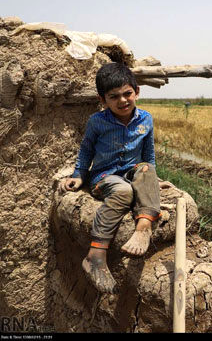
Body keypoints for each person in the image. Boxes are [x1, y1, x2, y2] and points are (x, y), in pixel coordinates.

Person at [60, 62, 162, 293]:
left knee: (146, 170)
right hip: (105, 176)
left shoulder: (146, 119)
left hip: (133, 171)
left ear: (137, 92)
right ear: (103, 100)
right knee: (123, 191)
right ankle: (96, 254)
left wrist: (152, 179)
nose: (122, 100)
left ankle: (143, 227)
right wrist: (79, 175)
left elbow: (149, 156)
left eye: (127, 94)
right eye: (114, 97)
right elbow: (86, 150)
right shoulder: (98, 122)